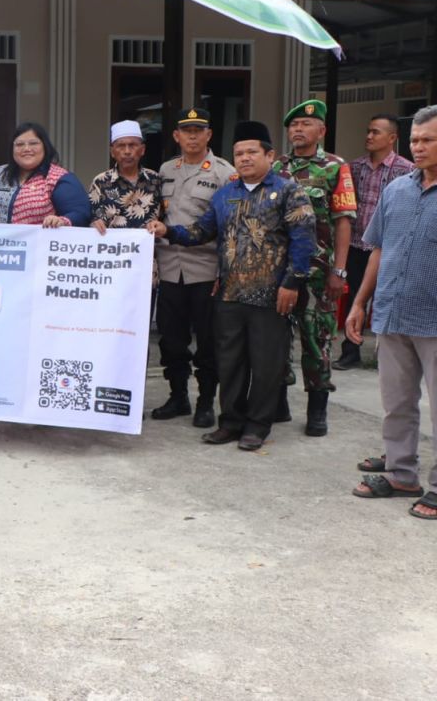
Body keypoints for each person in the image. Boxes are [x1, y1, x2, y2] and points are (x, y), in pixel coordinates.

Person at [148, 121, 316, 452]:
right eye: (239, 153)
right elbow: (201, 232)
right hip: (229, 294)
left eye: (252, 152)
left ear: (269, 155)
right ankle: (231, 422)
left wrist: (292, 283)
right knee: (230, 362)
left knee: (266, 365)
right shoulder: (226, 195)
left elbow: (303, 240)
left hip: (271, 296)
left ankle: (257, 425)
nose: (244, 158)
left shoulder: (288, 192)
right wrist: (168, 231)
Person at [345, 106, 437, 518]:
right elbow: (379, 249)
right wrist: (360, 302)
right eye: (415, 140)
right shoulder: (396, 190)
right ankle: (402, 474)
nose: (419, 147)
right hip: (393, 313)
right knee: (397, 403)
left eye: (428, 140)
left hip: (434, 320)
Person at [274, 99, 357, 437]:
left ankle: (317, 409)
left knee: (316, 339)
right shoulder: (276, 167)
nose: (298, 129)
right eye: (294, 125)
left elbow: (343, 221)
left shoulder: (336, 167)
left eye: (306, 124)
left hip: (319, 272)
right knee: (277, 338)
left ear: (321, 130)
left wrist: (340, 271)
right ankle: (278, 402)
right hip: (279, 271)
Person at [149, 108, 235, 427]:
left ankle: (206, 402)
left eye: (199, 130)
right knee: (171, 340)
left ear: (209, 135)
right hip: (170, 269)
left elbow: (230, 227)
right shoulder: (165, 170)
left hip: (206, 270)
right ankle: (178, 397)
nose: (193, 136)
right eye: (187, 131)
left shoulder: (224, 173)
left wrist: (226, 271)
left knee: (208, 343)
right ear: (177, 136)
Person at [335, 114, 413, 370]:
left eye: (375, 132)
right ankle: (350, 351)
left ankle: (384, 355)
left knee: (385, 299)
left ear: (392, 138)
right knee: (354, 298)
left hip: (389, 248)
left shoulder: (407, 170)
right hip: (357, 244)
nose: (369, 136)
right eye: (368, 131)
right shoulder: (354, 168)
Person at [0, 121, 91, 227]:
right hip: (2, 238)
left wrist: (61, 220)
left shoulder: (58, 178)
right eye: (19, 144)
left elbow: (80, 213)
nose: (26, 149)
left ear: (45, 146)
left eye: (33, 143)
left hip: (43, 237)